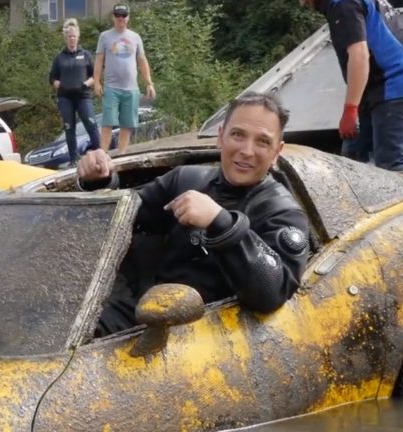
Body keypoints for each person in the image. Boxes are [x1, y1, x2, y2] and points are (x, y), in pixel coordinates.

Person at [78, 92, 310, 336]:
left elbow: (272, 294)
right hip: (148, 317)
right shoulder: (186, 180)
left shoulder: (283, 214)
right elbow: (122, 219)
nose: (247, 151)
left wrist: (220, 222)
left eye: (262, 142)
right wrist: (99, 180)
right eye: (238, 135)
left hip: (219, 337)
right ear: (221, 137)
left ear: (276, 152)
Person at [300, 0, 403, 171]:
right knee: (353, 157)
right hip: (376, 86)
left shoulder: (344, 4)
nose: (302, 3)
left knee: (391, 162)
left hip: (396, 82)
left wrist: (350, 110)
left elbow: (359, 55)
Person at [93, 3, 156, 156]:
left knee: (127, 124)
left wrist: (149, 83)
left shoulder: (135, 37)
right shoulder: (105, 36)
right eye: (118, 15)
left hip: (131, 88)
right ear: (113, 17)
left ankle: (121, 155)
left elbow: (142, 61)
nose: (121, 18)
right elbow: (99, 60)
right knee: (107, 122)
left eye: (124, 16)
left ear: (128, 18)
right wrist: (96, 81)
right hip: (111, 87)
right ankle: (102, 154)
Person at [49, 18, 100, 168]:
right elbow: (52, 78)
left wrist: (86, 84)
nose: (72, 39)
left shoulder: (85, 55)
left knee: (91, 124)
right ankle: (73, 160)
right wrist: (58, 84)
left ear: (78, 37)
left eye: (74, 36)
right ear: (66, 38)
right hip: (65, 97)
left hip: (83, 96)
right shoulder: (59, 58)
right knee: (69, 127)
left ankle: (99, 153)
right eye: (69, 36)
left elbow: (95, 75)